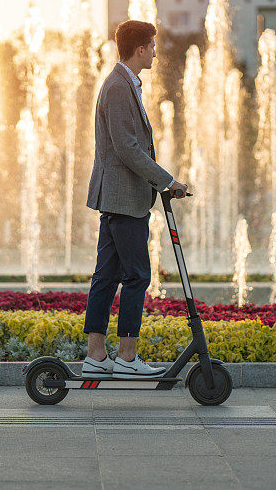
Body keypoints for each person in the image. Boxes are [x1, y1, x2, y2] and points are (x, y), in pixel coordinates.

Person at [82, 20, 188, 378]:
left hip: (119, 198)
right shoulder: (117, 87)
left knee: (106, 276)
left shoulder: (125, 84)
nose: (156, 52)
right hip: (123, 199)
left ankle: (96, 357)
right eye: (152, 46)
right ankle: (127, 357)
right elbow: (126, 147)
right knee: (138, 276)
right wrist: (167, 181)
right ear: (139, 49)